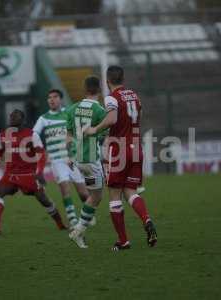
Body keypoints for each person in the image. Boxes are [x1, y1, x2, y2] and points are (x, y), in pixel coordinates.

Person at [85, 66, 157, 250]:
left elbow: (111, 119)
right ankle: (146, 219)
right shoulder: (134, 95)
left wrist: (95, 129)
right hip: (136, 148)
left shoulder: (111, 97)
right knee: (130, 191)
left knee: (115, 194)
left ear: (107, 80)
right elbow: (139, 115)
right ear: (123, 78)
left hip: (120, 149)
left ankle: (123, 241)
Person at [0, 109, 66, 235]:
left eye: (16, 116)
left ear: (23, 120)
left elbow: (41, 154)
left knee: (44, 200)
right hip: (10, 175)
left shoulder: (32, 135)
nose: (13, 117)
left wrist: (39, 172)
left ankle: (60, 224)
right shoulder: (2, 136)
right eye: (11, 116)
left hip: (28, 175)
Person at [33, 89, 89, 229]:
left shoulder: (69, 114)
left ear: (60, 99)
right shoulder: (44, 118)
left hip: (73, 159)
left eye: (55, 97)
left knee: (83, 194)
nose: (52, 99)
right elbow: (33, 134)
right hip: (57, 160)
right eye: (49, 97)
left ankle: (87, 214)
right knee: (65, 187)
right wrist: (39, 148)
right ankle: (72, 220)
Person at [66, 76, 107, 248]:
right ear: (99, 90)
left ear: (85, 89)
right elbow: (104, 136)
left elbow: (68, 137)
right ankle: (77, 231)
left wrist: (69, 156)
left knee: (93, 196)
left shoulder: (72, 109)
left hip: (78, 160)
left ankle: (79, 230)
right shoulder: (100, 111)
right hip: (91, 160)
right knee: (96, 197)